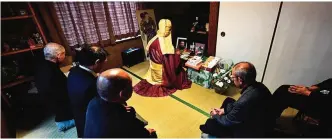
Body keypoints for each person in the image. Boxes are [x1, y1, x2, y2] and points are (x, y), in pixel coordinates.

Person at [200, 62, 273, 137]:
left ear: (240, 80)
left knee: (210, 123)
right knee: (228, 101)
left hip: (250, 132)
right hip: (259, 119)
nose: (232, 79)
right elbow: (240, 106)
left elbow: (227, 121)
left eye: (233, 77)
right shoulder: (259, 86)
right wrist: (224, 110)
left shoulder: (244, 101)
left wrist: (216, 115)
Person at [84, 68, 156, 137]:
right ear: (122, 94)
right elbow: (141, 133)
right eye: (130, 86)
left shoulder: (93, 102)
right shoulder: (125, 122)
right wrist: (148, 132)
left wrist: (122, 110)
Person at [134, 19, 192, 97]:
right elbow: (170, 63)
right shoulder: (163, 44)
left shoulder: (153, 39)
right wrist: (177, 55)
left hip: (153, 69)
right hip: (162, 72)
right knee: (181, 73)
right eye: (168, 29)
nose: (169, 31)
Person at [67, 46, 108, 137]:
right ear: (97, 62)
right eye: (104, 62)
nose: (104, 65)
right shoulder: (91, 85)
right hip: (91, 121)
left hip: (78, 115)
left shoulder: (74, 70)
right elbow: (102, 106)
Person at [34, 42, 75, 132]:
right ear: (59, 55)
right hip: (61, 107)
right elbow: (65, 90)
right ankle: (65, 123)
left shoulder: (42, 65)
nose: (65, 56)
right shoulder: (52, 71)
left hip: (50, 104)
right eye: (64, 54)